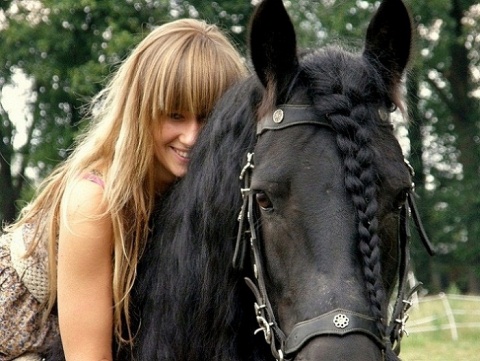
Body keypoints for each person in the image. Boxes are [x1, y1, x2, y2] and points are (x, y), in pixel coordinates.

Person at [0, 18, 248, 361]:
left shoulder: (204, 196)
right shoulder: (95, 202)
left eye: (206, 117)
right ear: (141, 110)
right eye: (175, 115)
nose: (191, 137)